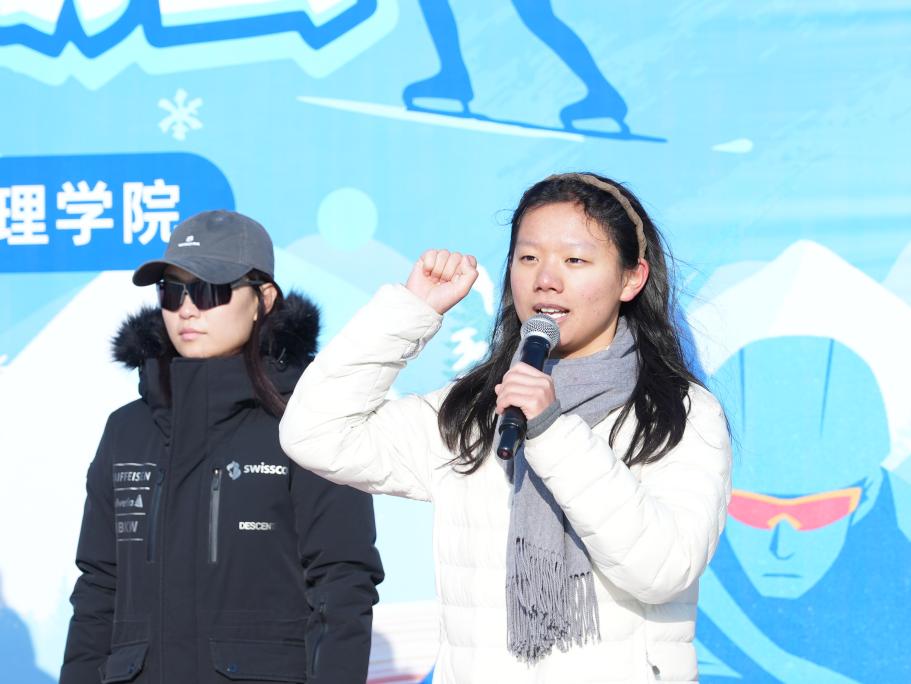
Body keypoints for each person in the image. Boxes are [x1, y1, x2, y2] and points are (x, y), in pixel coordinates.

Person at [280, 172, 732, 682]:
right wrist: (410, 311)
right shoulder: (474, 410)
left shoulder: (678, 413)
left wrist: (552, 431)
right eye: (528, 257)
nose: (546, 279)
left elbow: (663, 569)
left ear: (632, 278)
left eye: (575, 260)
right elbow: (315, 434)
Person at [60, 210, 383, 684]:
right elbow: (98, 589)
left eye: (210, 290)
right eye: (172, 291)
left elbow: (342, 583)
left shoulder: (309, 423)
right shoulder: (126, 430)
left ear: (262, 300)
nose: (187, 310)